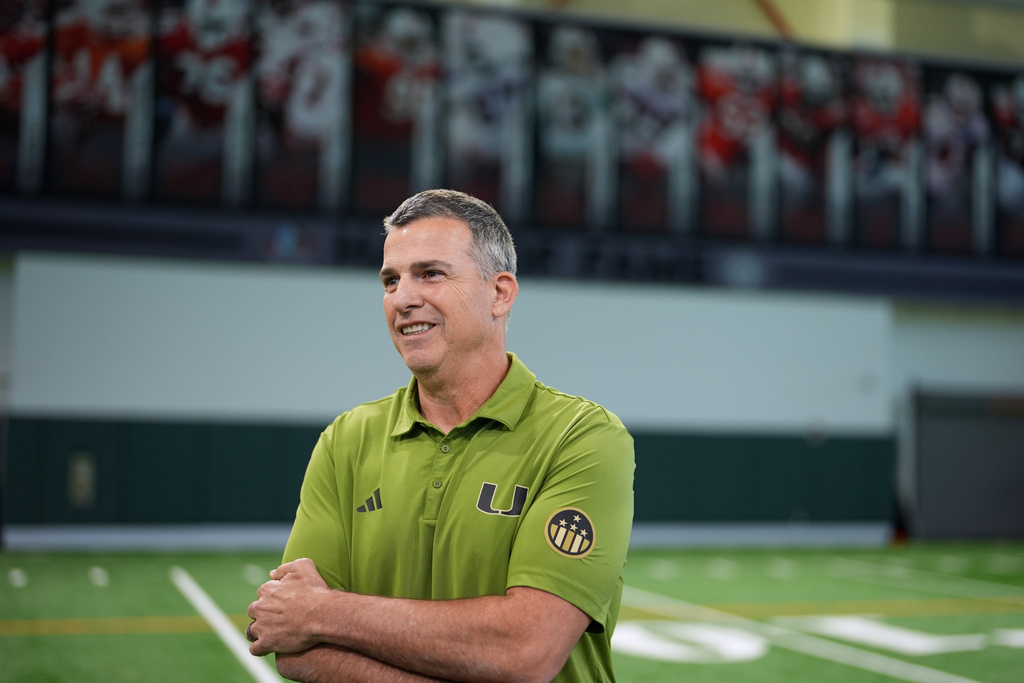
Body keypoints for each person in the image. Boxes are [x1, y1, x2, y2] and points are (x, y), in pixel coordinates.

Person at [246, 189, 636, 682]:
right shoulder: (346, 440)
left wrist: (322, 611)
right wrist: (307, 621)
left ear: (500, 293)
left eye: (430, 273)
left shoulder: (582, 438)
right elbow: (297, 651)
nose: (403, 299)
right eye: (391, 280)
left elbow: (526, 649)